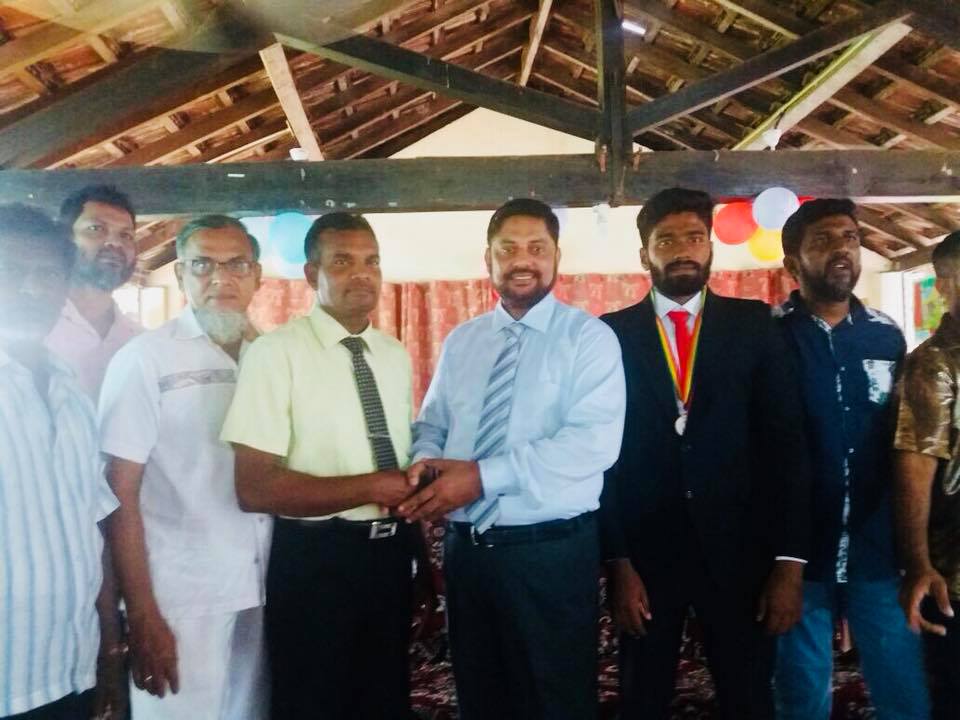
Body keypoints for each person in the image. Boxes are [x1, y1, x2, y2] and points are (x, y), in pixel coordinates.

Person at [399, 198, 626, 720]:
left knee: (555, 702)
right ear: (489, 259)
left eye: (536, 248)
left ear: (556, 257)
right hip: (467, 556)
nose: (522, 260)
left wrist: (481, 478)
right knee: (481, 698)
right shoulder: (463, 341)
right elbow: (432, 424)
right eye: (508, 249)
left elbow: (593, 444)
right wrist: (426, 462)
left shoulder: (588, 339)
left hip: (548, 555)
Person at [599, 188, 812, 719]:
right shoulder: (609, 335)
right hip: (647, 557)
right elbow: (602, 460)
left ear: (711, 246)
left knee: (748, 697)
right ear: (645, 254)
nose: (682, 250)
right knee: (641, 698)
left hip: (741, 554)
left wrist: (789, 562)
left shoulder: (754, 325)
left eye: (694, 237)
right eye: (666, 240)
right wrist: (618, 561)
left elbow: (787, 445)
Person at [221, 212, 427, 720]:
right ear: (312, 274)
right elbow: (254, 487)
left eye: (371, 262)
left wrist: (419, 557)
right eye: (343, 262)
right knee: (313, 702)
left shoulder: (393, 354)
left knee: (384, 700)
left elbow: (398, 462)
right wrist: (370, 487)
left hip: (390, 556)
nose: (362, 274)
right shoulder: (276, 354)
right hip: (316, 560)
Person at [99, 216, 271, 720]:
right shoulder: (146, 359)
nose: (221, 279)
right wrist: (142, 612)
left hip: (266, 583)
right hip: (182, 593)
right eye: (202, 265)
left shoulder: (272, 354)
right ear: (180, 275)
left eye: (236, 264)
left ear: (257, 275)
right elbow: (118, 491)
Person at [773, 198, 929, 719]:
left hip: (876, 544)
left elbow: (904, 438)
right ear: (792, 264)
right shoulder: (770, 337)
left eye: (850, 238)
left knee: (903, 686)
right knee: (800, 692)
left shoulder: (886, 335)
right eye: (822, 240)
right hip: (800, 550)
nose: (841, 249)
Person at [0, 204, 119, 719]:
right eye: (10, 271)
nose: (30, 289)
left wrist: (109, 649)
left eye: (46, 275)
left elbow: (93, 530)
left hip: (71, 670)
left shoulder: (73, 395)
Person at [894, 229, 960, 720]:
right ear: (945, 286)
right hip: (953, 571)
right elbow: (914, 466)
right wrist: (917, 563)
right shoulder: (934, 364)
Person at [46, 185, 140, 399]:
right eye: (96, 229)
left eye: (126, 235)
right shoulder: (37, 328)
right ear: (65, 239)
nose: (115, 243)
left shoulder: (140, 340)